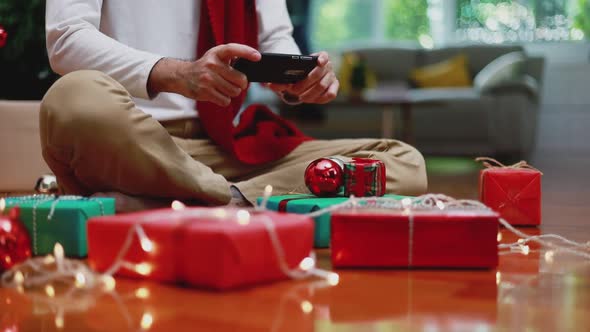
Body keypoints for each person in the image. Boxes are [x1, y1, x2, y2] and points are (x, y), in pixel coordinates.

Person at [42, 0, 427, 211]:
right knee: (72, 97)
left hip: (223, 146)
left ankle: (216, 201)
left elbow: (276, 39)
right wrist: (177, 73)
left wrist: (300, 80)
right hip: (134, 141)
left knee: (400, 159)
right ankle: (227, 198)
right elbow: (66, 39)